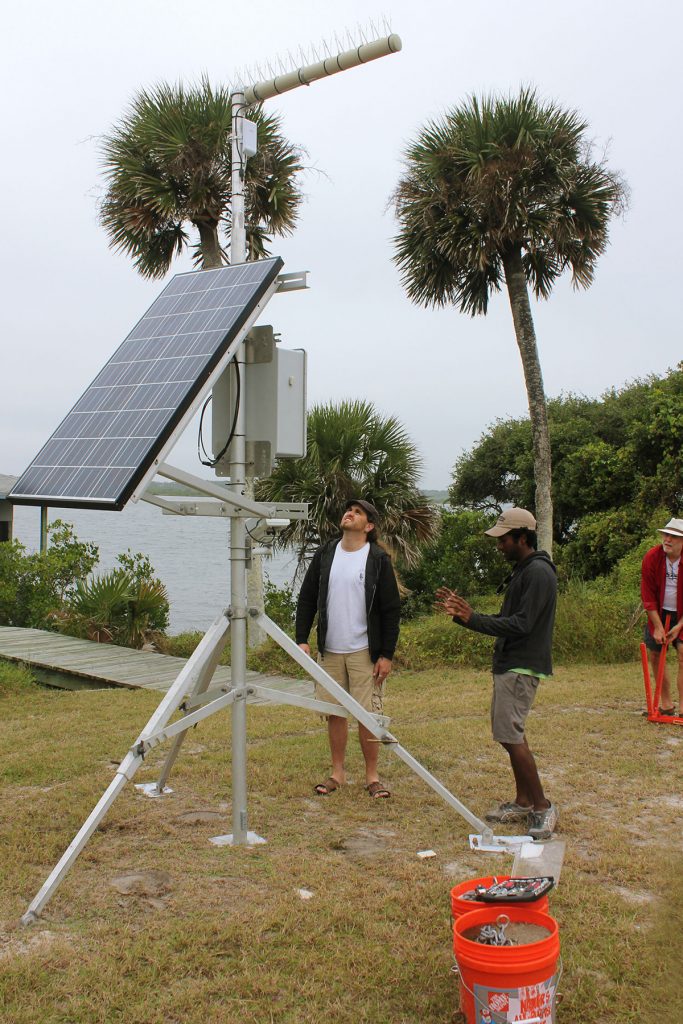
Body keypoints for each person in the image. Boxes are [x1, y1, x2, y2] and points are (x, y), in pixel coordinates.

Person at [435, 507, 558, 840]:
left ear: (522, 538)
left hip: (521, 665)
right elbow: (511, 620)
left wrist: (473, 618)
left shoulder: (537, 574)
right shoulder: (525, 570)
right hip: (511, 664)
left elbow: (521, 624)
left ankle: (542, 807)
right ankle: (523, 800)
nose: (498, 545)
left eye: (503, 540)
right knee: (510, 733)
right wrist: (466, 617)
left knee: (510, 735)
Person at [296, 499, 401, 798]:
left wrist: (386, 655)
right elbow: (306, 598)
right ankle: (337, 773)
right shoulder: (327, 553)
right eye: (348, 510)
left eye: (357, 512)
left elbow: (391, 610)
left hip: (364, 651)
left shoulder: (377, 559)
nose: (349, 513)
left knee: (367, 715)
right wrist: (302, 638)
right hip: (329, 649)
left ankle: (372, 777)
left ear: (368, 526)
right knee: (335, 713)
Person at [640, 517, 683, 716]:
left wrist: (680, 625)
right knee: (655, 655)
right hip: (659, 613)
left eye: (673, 536)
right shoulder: (652, 557)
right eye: (666, 534)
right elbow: (647, 596)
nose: (667, 539)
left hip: (682, 615)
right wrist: (657, 626)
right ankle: (666, 705)